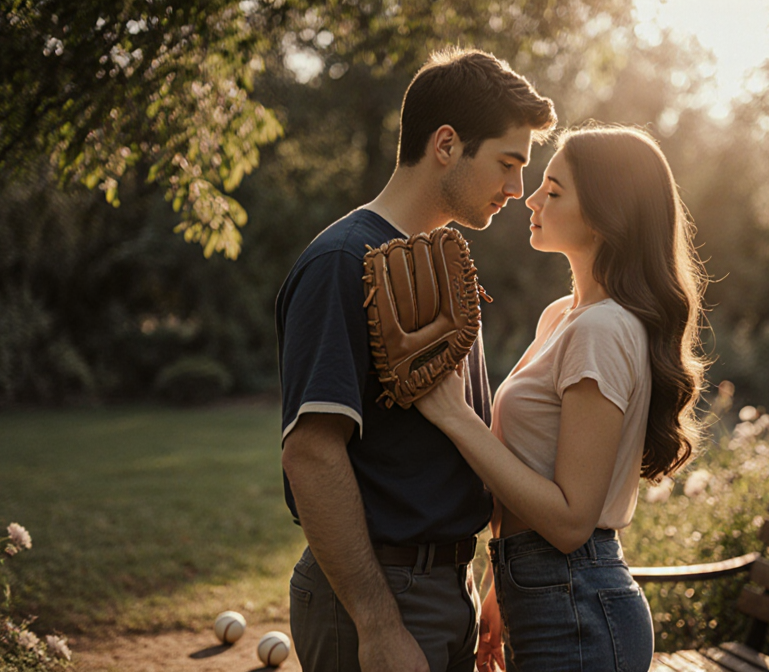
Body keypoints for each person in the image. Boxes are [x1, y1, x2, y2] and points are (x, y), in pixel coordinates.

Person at [276, 47, 555, 672]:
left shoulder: (441, 261)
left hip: (444, 586)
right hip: (381, 595)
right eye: (509, 164)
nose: (517, 189)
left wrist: (481, 582)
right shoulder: (342, 262)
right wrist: (377, 624)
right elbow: (311, 453)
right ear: (447, 144)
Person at [414, 125, 705, 672]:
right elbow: (537, 469)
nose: (531, 197)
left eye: (553, 189)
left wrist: (455, 416)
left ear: (602, 214)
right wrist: (501, 585)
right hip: (545, 591)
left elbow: (573, 522)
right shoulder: (562, 316)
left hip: (578, 605)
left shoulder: (602, 329)